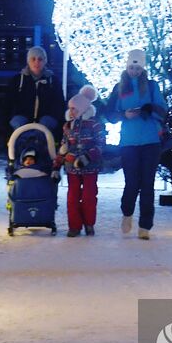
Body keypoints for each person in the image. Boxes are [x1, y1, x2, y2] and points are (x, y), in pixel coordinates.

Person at [105, 49, 166, 240]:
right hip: (129, 142)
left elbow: (163, 110)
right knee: (132, 183)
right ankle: (127, 213)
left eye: (137, 67)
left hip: (150, 141)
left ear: (142, 67)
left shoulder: (151, 86)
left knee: (147, 184)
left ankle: (145, 226)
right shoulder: (119, 87)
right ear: (126, 67)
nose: (134, 71)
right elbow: (109, 114)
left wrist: (149, 109)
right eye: (131, 67)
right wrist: (124, 115)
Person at [56, 85, 103, 237]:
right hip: (72, 167)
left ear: (83, 109)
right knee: (72, 197)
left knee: (89, 196)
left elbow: (100, 144)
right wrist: (60, 160)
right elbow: (64, 144)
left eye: (74, 108)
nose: (71, 112)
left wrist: (88, 157)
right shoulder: (68, 126)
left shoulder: (94, 124)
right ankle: (74, 226)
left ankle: (89, 224)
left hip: (89, 167)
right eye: (70, 108)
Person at [6, 46, 66, 133]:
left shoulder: (53, 81)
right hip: (22, 118)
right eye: (33, 59)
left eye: (40, 59)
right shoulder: (17, 80)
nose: (36, 62)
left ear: (45, 61)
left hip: (46, 119)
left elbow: (59, 103)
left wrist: (53, 116)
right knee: (18, 122)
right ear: (28, 61)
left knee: (46, 123)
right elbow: (8, 102)